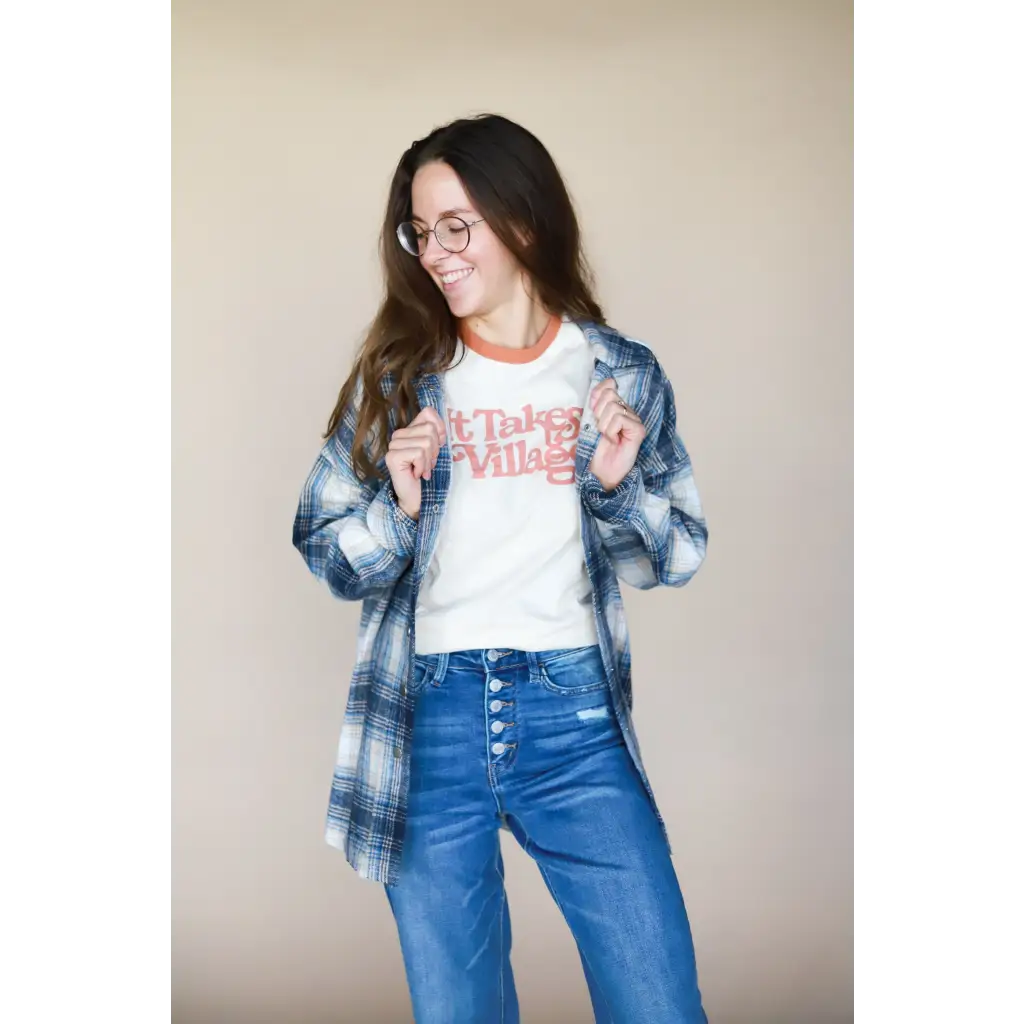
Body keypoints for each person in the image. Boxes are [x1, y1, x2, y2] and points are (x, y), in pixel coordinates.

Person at [293, 113, 709, 1023]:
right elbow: (326, 545)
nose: (434, 253)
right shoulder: (399, 377)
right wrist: (395, 508)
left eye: (456, 227)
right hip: (428, 717)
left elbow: (672, 553)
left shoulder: (617, 374)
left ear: (520, 222)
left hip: (574, 717)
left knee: (659, 1004)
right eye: (420, 230)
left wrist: (616, 488)